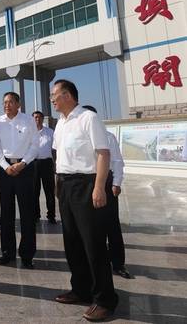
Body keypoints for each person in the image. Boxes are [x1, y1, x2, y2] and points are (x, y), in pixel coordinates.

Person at [52, 80, 118, 322]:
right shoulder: (60, 123)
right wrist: (58, 184)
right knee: (72, 242)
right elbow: (58, 155)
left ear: (68, 95)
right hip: (66, 185)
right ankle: (80, 289)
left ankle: (105, 299)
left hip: (86, 184)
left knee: (93, 244)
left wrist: (99, 187)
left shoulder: (88, 118)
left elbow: (103, 154)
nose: (52, 99)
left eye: (54, 95)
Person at [82, 105, 130, 279]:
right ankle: (93, 263)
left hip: (106, 183)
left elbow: (117, 161)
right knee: (89, 226)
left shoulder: (108, 137)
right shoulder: (78, 138)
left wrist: (116, 183)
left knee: (111, 225)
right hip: (85, 183)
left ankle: (118, 263)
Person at [0, 92, 38, 269]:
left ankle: (27, 255)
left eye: (11, 102)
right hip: (5, 170)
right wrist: (6, 166)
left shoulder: (28, 120)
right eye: (4, 102)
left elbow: (35, 145)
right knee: (6, 213)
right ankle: (7, 252)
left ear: (18, 104)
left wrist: (23, 163)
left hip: (25, 169)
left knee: (27, 213)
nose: (7, 105)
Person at [32, 111, 56, 224]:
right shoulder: (29, 132)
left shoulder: (50, 132)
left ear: (42, 119)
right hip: (34, 163)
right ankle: (35, 215)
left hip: (47, 163)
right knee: (34, 191)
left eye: (39, 117)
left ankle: (51, 215)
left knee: (49, 191)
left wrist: (55, 163)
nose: (37, 119)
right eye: (35, 117)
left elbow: (54, 149)